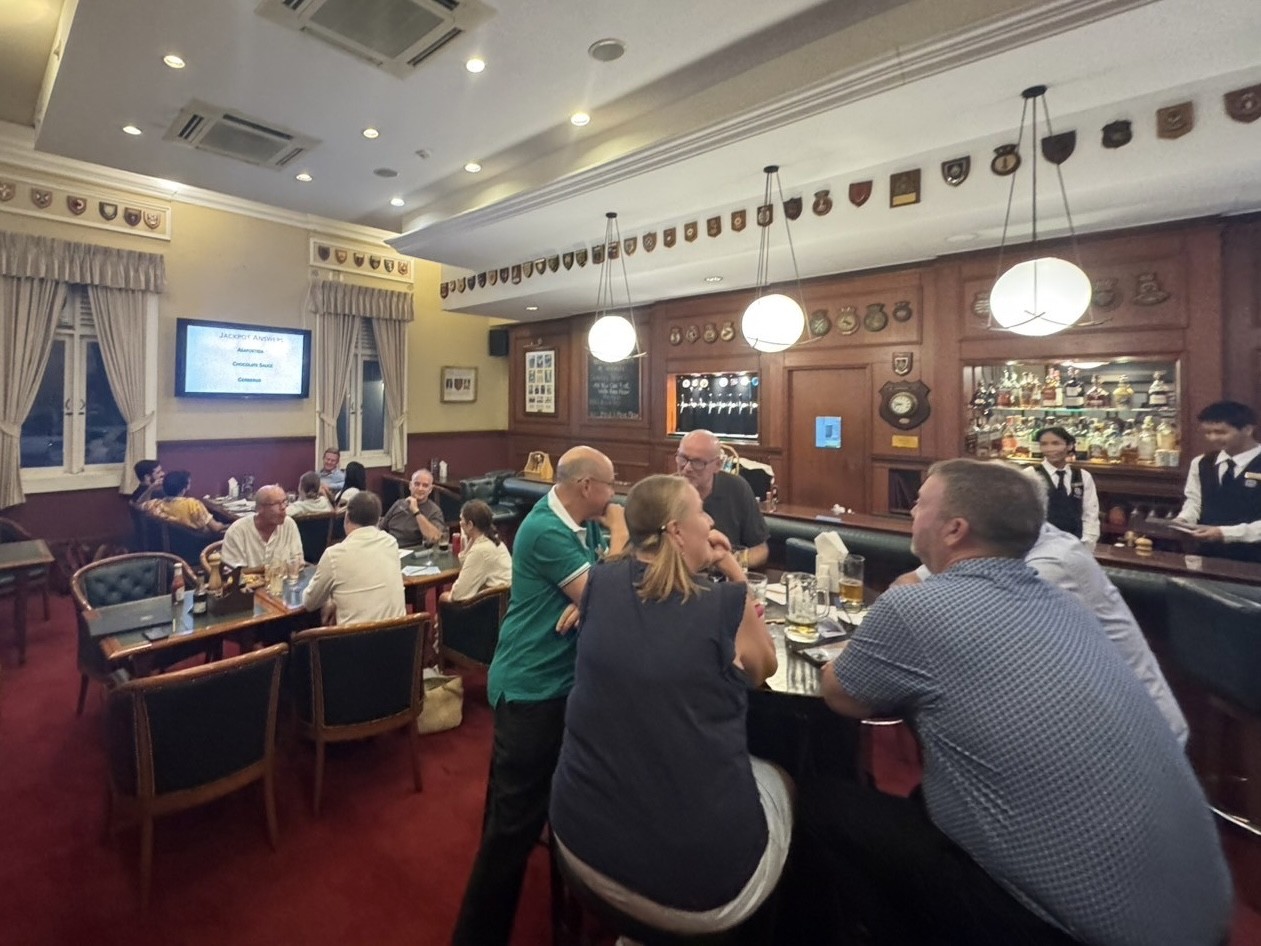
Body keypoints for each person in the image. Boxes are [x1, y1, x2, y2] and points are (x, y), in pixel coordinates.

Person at [788, 459, 1230, 946]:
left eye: (920, 503)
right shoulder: (1066, 605)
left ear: (954, 529)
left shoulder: (918, 607)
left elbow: (841, 696)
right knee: (929, 801)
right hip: (1206, 915)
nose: (911, 511)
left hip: (1074, 932)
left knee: (812, 803)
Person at [549, 474, 789, 936]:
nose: (711, 521)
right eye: (701, 512)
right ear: (677, 531)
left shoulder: (598, 583)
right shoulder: (726, 603)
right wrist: (735, 574)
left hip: (577, 840)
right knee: (782, 778)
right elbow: (763, 669)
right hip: (700, 889)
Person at [451, 446, 628, 946]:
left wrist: (593, 597)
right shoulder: (545, 529)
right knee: (511, 835)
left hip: (564, 685)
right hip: (532, 688)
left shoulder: (582, 523)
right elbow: (613, 595)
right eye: (611, 485)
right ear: (587, 487)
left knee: (512, 811)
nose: (615, 496)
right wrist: (612, 554)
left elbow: (616, 586)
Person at [898, 468, 1188, 746]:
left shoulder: (1054, 561)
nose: (914, 512)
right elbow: (910, 584)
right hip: (1073, 722)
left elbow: (972, 633)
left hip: (1134, 733)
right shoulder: (991, 544)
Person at [1174, 399, 1261, 562]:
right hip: (1208, 555)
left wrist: (1224, 533)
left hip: (1254, 559)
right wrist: (1184, 520)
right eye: (1207, 432)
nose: (1212, 438)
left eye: (1221, 432)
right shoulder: (1201, 463)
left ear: (1248, 429)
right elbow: (1194, 501)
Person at [302, 492, 405, 625]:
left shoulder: (334, 555)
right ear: (378, 520)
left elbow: (309, 603)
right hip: (400, 635)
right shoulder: (391, 543)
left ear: (347, 517)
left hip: (355, 637)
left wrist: (331, 599)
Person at [675, 429, 769, 568]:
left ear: (718, 465)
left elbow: (760, 550)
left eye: (698, 462)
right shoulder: (665, 493)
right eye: (683, 458)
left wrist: (728, 563)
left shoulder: (736, 488)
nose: (687, 468)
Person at [1025, 425, 1099, 544]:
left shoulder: (1083, 476)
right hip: (1040, 544)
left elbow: (1090, 514)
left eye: (1056, 443)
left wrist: (1086, 543)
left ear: (1069, 445)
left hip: (1076, 544)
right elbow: (1024, 516)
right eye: (1044, 444)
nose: (1050, 449)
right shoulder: (1030, 475)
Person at [440, 499, 512, 603]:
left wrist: (447, 596)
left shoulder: (481, 550)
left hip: (491, 604)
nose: (460, 523)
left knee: (444, 598)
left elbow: (458, 595)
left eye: (461, 520)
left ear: (470, 525)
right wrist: (470, 539)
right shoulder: (494, 541)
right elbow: (464, 564)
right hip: (503, 601)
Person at [221, 484, 303, 570]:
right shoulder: (237, 531)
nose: (283, 507)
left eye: (284, 502)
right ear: (260, 508)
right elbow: (234, 573)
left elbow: (298, 561)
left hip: (284, 578)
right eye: (276, 504)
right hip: (247, 580)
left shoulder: (289, 524)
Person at [379, 469, 446, 548]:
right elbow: (381, 527)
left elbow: (434, 537)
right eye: (417, 484)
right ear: (410, 486)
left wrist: (416, 511)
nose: (420, 488)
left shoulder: (434, 511)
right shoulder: (399, 503)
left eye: (425, 485)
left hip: (411, 550)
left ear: (430, 489)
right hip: (388, 546)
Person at [141, 470, 225, 532]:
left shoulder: (155, 504)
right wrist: (226, 525)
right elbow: (216, 528)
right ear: (183, 490)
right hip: (198, 544)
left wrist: (151, 488)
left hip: (172, 546)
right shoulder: (193, 505)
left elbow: (139, 504)